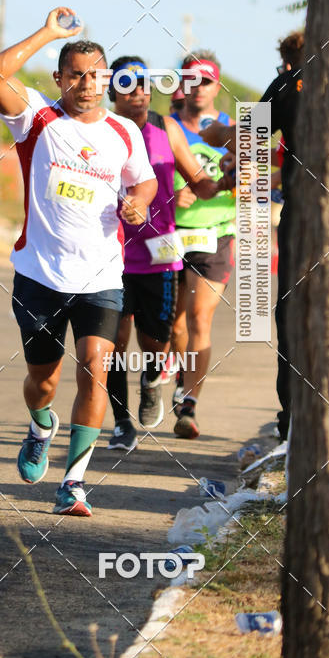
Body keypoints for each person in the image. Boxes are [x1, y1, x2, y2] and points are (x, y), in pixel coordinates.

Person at [0, 8, 157, 516]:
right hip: (40, 273)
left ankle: (74, 482)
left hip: (102, 273)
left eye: (95, 74)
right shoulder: (36, 116)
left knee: (95, 371)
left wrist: (140, 201)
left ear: (107, 79)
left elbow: (141, 180)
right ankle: (40, 425)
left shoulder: (124, 131)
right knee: (45, 380)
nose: (86, 83)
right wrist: (49, 32)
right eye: (75, 74)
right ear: (59, 78)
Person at [104, 57, 231, 450]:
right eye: (128, 84)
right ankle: (122, 422)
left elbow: (204, 185)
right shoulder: (99, 131)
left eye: (145, 83)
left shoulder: (167, 128)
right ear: (112, 92)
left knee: (157, 343)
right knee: (112, 344)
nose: (139, 91)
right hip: (108, 254)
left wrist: (228, 179)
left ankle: (153, 376)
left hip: (158, 255)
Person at [201, 31, 304, 441]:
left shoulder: (290, 83)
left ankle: (293, 422)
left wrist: (214, 132)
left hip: (305, 223)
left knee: (292, 317)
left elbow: (247, 139)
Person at [169, 52, 236, 439]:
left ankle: (190, 404)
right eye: (191, 80)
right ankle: (180, 376)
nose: (198, 88)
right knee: (174, 323)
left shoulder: (231, 130)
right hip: (170, 234)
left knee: (200, 317)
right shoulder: (165, 128)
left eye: (206, 81)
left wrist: (235, 182)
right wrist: (172, 198)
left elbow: (255, 184)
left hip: (216, 234)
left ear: (217, 86)